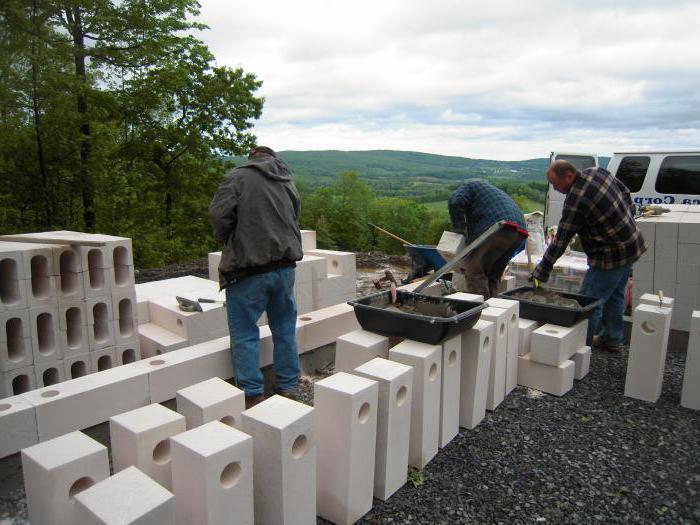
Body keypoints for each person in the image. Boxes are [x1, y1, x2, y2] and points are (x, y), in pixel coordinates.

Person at [209, 146, 303, 408]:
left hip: (248, 270)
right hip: (284, 268)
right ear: (272, 159)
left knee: (245, 333)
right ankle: (288, 386)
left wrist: (227, 237)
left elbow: (219, 215)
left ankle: (252, 393)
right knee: (284, 329)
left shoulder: (237, 177)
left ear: (252, 160)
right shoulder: (287, 180)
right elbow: (294, 217)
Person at [531, 160, 647, 352]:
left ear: (568, 175)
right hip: (631, 245)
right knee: (615, 296)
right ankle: (612, 338)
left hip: (609, 256)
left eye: (555, 183)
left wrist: (542, 270)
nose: (555, 188)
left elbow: (561, 240)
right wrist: (625, 219)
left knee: (588, 302)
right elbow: (625, 192)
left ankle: (579, 349)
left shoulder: (576, 198)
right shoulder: (597, 172)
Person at [448, 180, 527, 299]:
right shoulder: (491, 192)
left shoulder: (469, 186)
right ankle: (493, 310)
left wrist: (460, 229)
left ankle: (481, 312)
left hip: (499, 227)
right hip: (519, 232)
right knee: (492, 274)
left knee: (474, 272)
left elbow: (455, 201)